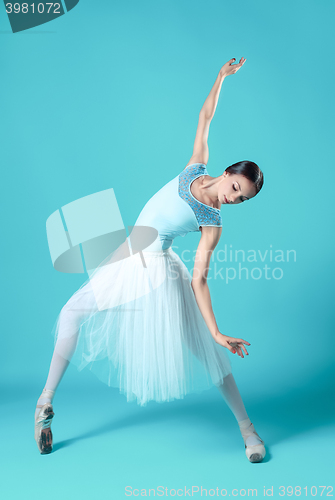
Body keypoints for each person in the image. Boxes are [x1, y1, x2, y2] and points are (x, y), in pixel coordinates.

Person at [34, 57, 266, 463]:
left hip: (155, 270)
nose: (233, 197)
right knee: (70, 315)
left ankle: (249, 432)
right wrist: (219, 78)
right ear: (227, 171)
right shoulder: (194, 168)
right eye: (235, 187)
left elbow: (200, 280)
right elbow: (205, 115)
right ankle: (44, 407)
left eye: (241, 198)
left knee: (209, 353)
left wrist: (215, 331)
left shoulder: (212, 222)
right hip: (128, 256)